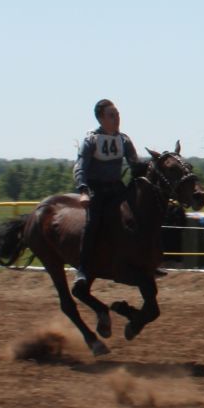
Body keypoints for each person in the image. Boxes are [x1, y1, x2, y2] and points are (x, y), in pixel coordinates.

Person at [73, 98, 143, 284]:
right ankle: (83, 268)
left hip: (117, 189)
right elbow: (80, 168)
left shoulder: (124, 140)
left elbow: (135, 165)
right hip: (97, 191)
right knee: (93, 223)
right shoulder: (91, 140)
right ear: (100, 118)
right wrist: (83, 190)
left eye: (117, 114)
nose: (116, 118)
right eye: (111, 115)